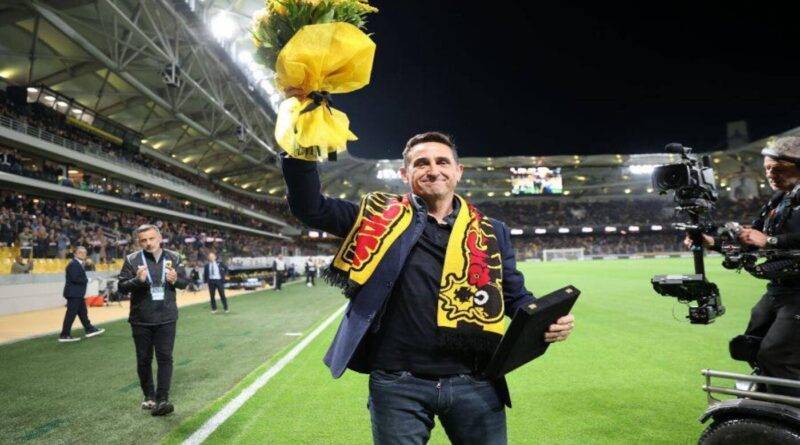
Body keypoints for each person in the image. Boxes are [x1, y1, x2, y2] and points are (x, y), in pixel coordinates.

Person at [282, 131, 575, 444]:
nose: (434, 170)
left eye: (442, 162)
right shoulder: (376, 218)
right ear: (404, 173)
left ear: (458, 171)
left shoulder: (492, 231)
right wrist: (300, 148)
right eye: (422, 163)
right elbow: (310, 207)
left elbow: (514, 296)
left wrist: (547, 319)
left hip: (475, 380)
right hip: (398, 384)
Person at [689, 136, 800, 396]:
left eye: (778, 169)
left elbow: (764, 240)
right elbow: (751, 240)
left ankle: (788, 410)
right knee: (749, 345)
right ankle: (772, 395)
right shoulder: (778, 200)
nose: (770, 174)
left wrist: (771, 240)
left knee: (777, 354)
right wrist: (711, 242)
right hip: (780, 289)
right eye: (767, 168)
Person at [118, 224, 187, 416]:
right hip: (141, 319)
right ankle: (149, 396)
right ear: (139, 242)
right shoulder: (132, 259)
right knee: (144, 359)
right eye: (143, 240)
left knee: (165, 358)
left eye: (151, 239)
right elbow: (121, 287)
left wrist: (176, 280)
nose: (148, 243)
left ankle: (163, 398)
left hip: (166, 317)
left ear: (159, 238)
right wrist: (137, 281)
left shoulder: (174, 257)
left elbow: (185, 282)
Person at [59, 246, 105, 342]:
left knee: (83, 313)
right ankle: (64, 335)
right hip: (74, 293)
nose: (83, 254)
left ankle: (89, 329)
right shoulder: (73, 264)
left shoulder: (78, 264)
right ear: (75, 254)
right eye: (80, 252)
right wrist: (88, 279)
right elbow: (75, 278)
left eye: (84, 252)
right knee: (71, 314)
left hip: (77, 294)